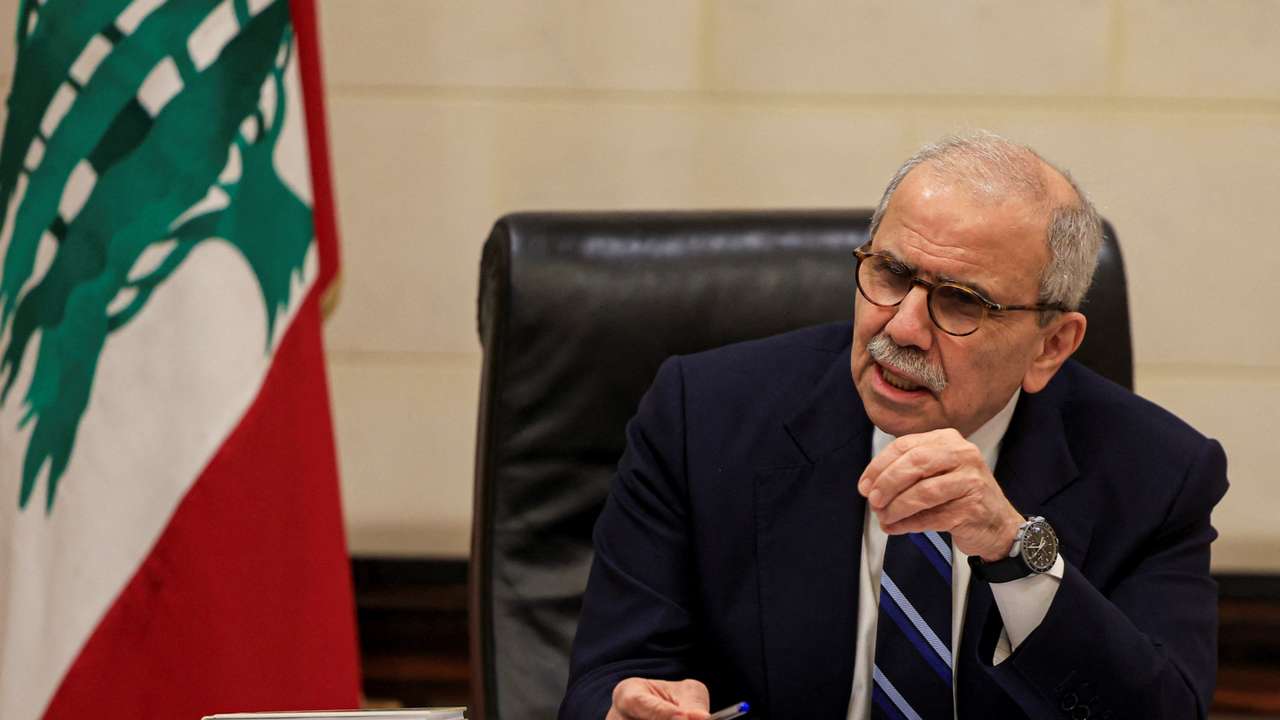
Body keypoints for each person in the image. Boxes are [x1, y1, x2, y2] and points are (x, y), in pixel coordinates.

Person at [559, 132, 1228, 720]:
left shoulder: (1159, 473)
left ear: (1050, 346)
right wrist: (631, 707)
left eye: (962, 302)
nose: (902, 328)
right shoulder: (703, 416)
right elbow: (608, 675)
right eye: (891, 273)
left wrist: (1014, 551)